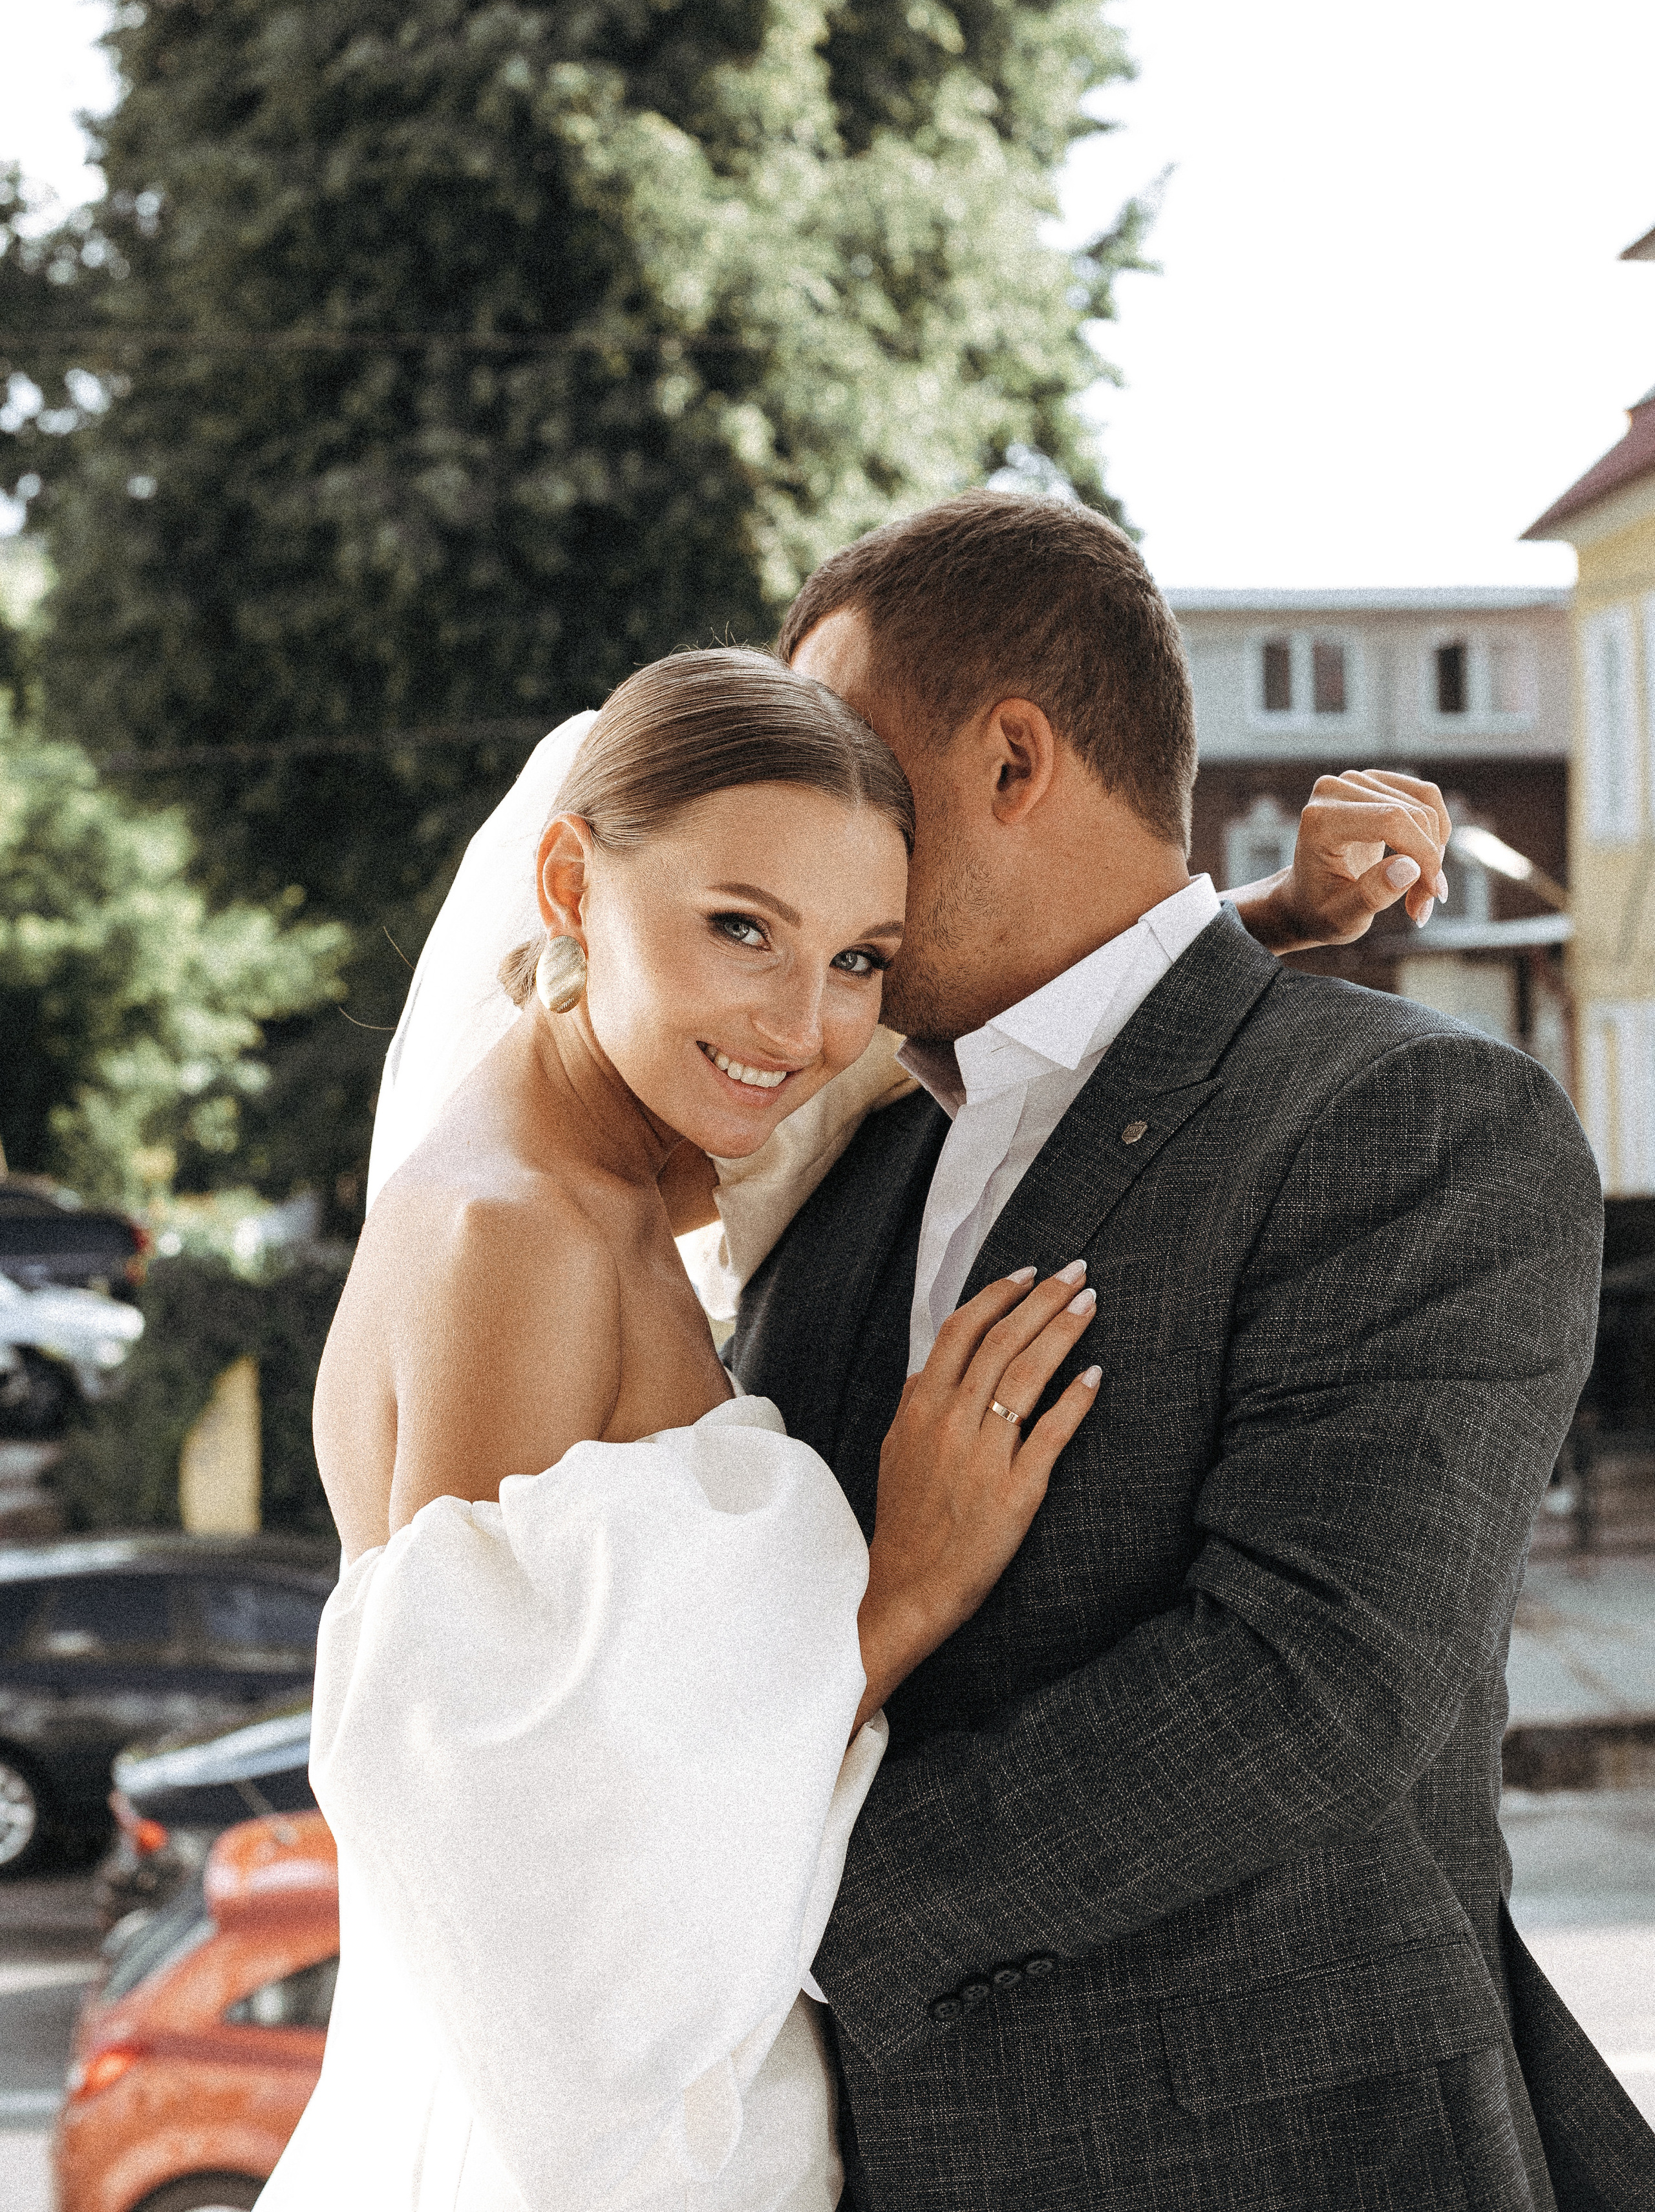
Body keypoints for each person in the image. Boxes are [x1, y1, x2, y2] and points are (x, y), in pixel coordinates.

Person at [260, 635, 1437, 2212]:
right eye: (739, 927)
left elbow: (923, 1056)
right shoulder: (512, 1241)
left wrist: (1277, 919)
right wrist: (901, 1592)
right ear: (565, 882)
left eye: (861, 957)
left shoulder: (650, 1126)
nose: (802, 1025)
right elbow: (518, 1857)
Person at [730, 491, 1652, 2212]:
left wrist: (745, 1901)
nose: (813, 841)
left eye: (854, 771)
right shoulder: (852, 1163)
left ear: (1014, 761)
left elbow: (1311, 1685)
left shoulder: (1413, 1119)